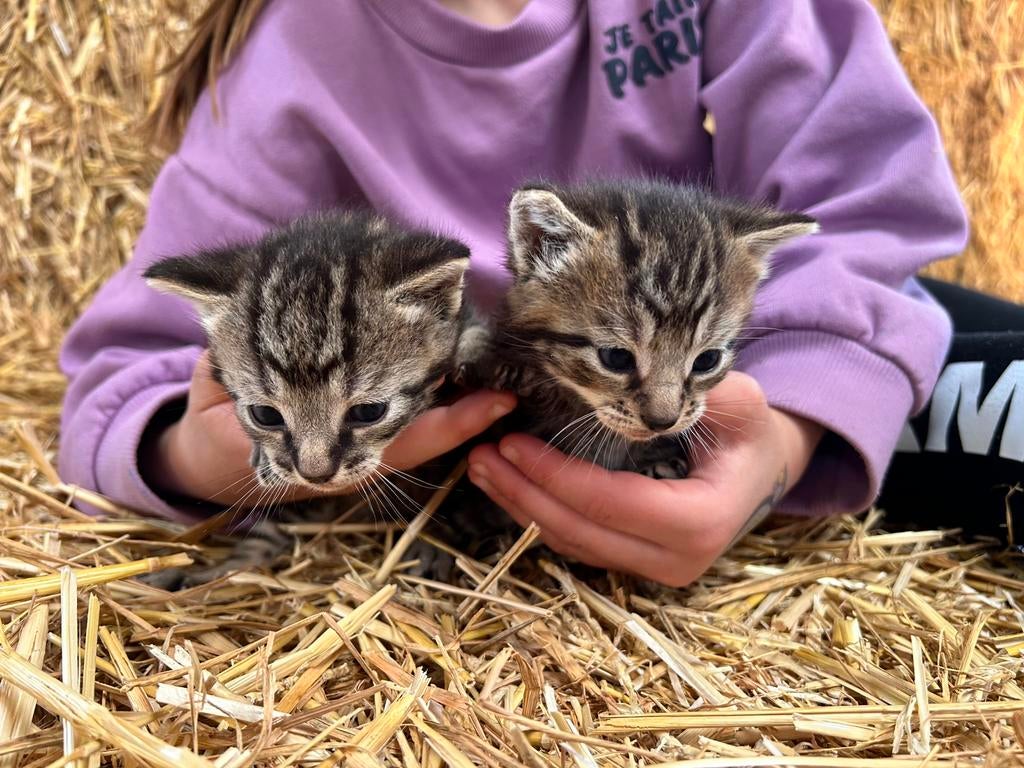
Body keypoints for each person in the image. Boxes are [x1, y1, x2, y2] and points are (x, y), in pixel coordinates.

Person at [59, 0, 987, 587]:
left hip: (777, 365)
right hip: (471, 442)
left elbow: (862, 207)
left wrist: (783, 441)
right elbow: (126, 379)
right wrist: (223, 450)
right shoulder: (286, 57)